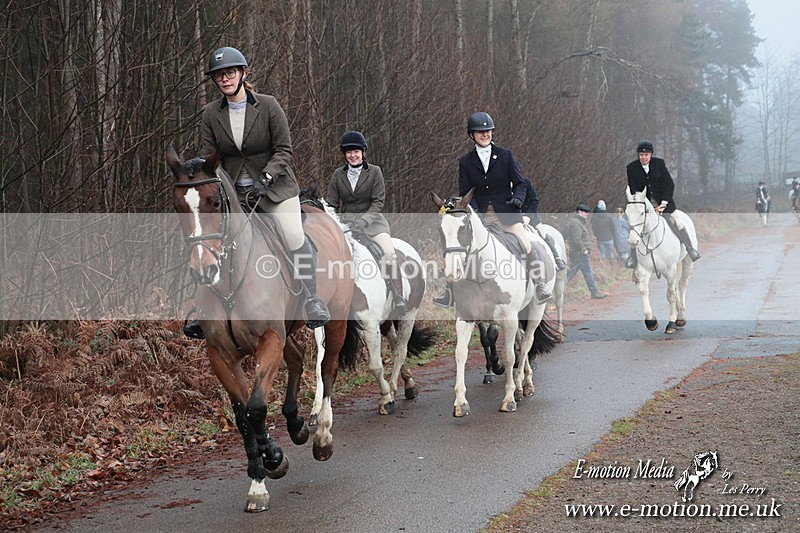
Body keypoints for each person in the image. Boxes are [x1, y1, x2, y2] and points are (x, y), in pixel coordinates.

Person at [184, 46, 329, 339]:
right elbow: (211, 158)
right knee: (205, 239)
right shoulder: (211, 114)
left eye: (229, 73)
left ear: (242, 73)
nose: (224, 79)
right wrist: (209, 178)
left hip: (275, 189)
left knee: (293, 235)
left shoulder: (269, 105)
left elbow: (284, 149)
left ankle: (311, 299)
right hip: (234, 194)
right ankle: (202, 310)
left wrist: (267, 175)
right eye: (218, 76)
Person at [433, 111, 552, 307]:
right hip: (479, 215)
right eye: (480, 132)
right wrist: (475, 212)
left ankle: (540, 285)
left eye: (488, 131)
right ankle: (449, 292)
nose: (485, 134)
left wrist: (517, 199)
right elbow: (465, 192)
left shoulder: (506, 155)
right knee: (457, 247)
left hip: (506, 213)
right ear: (472, 135)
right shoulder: (465, 161)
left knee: (525, 244)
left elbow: (520, 184)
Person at [326, 131, 406, 314]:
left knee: (388, 253)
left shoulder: (375, 172)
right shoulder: (338, 175)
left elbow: (378, 202)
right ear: (344, 154)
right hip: (346, 226)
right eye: (349, 152)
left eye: (356, 151)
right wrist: (336, 223)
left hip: (373, 223)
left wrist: (363, 221)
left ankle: (398, 296)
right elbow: (331, 203)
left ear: (363, 152)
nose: (352, 155)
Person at [625, 140, 700, 268]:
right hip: (644, 205)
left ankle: (690, 248)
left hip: (664, 202)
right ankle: (633, 257)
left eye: (646, 155)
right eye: (641, 155)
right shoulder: (631, 168)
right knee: (635, 227)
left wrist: (663, 204)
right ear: (638, 155)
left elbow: (669, 184)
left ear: (651, 155)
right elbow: (633, 189)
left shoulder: (659, 164)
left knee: (677, 222)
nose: (644, 157)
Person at [520, 178, 567, 271]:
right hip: (512, 218)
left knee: (543, 233)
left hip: (530, 217)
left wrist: (528, 216)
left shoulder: (526, 183)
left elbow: (534, 201)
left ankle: (557, 258)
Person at [565, 204, 607, 299]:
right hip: (579, 252)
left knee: (572, 272)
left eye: (587, 212)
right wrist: (583, 249)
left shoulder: (577, 222)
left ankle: (557, 287)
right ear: (579, 212)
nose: (586, 214)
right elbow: (576, 239)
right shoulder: (576, 223)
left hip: (577, 252)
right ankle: (594, 292)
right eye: (584, 212)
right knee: (586, 272)